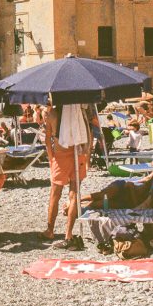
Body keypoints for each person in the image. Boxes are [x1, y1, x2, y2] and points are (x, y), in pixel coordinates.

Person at [43, 103, 92, 248]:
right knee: (74, 194)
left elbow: (47, 139)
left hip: (60, 156)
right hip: (78, 155)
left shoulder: (53, 114)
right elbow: (88, 136)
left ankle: (50, 230)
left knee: (55, 194)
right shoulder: (79, 111)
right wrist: (86, 155)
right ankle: (68, 234)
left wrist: (51, 158)